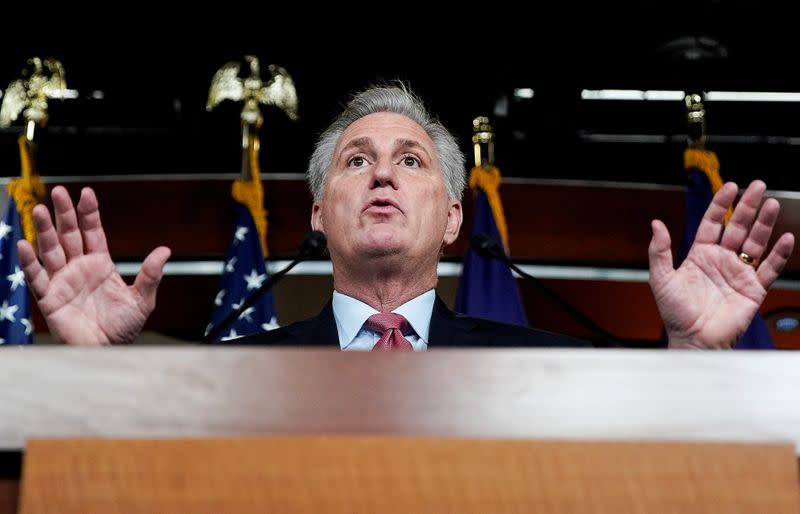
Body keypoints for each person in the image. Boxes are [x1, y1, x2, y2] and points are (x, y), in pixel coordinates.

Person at [17, 84, 795, 350]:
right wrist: (95, 366)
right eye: (357, 160)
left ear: (455, 217)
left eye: (410, 160)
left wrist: (694, 349)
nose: (383, 171)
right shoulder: (237, 369)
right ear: (318, 215)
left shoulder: (539, 369)